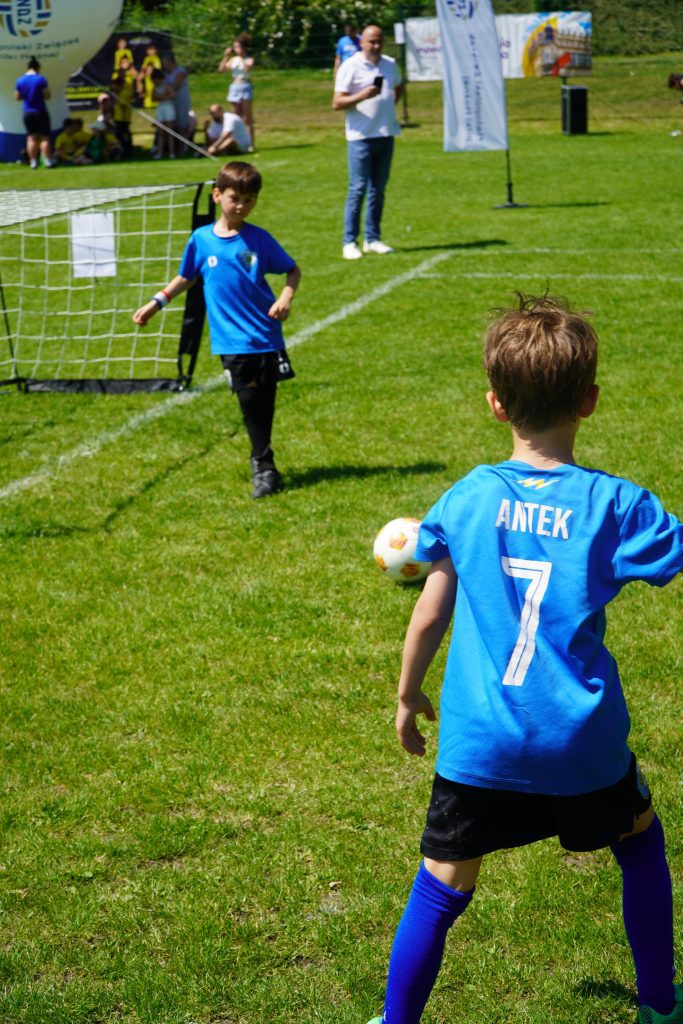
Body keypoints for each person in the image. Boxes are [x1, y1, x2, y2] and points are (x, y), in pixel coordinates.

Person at [366, 294, 683, 1024]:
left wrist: (407, 696)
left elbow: (429, 610)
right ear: (590, 401)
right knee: (639, 841)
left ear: (495, 404)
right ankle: (659, 1005)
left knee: (441, 884)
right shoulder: (616, 505)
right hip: (579, 740)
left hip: (481, 741)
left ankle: (396, 1020)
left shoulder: (466, 498)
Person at [132, 162, 301, 499]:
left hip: (265, 333)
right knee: (248, 396)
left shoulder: (259, 239)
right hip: (230, 338)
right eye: (235, 198)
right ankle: (263, 466)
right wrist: (157, 302)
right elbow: (187, 276)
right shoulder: (201, 240)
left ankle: (264, 462)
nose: (242, 206)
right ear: (217, 196)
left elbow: (292, 270)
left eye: (250, 200)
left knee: (264, 401)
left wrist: (285, 297)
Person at [333, 25, 402, 260]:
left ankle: (373, 239)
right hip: (360, 137)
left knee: (378, 191)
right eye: (371, 41)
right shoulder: (350, 65)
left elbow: (398, 86)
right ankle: (349, 241)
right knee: (358, 189)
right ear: (362, 42)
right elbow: (337, 102)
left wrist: (386, 107)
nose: (376, 46)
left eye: (379, 41)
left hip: (385, 134)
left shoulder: (390, 64)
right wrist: (363, 95)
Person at [14, 56, 54, 169]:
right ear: (38, 68)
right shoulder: (40, 79)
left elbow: (17, 97)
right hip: (40, 111)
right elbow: (47, 95)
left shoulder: (20, 80)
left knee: (31, 138)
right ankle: (48, 161)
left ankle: (33, 162)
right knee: (45, 138)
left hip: (27, 112)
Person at [218, 34, 255, 150]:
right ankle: (238, 142)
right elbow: (221, 70)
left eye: (237, 47)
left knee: (247, 117)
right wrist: (226, 56)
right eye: (235, 47)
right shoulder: (233, 60)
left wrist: (241, 57)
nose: (235, 49)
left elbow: (247, 68)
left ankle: (251, 144)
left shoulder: (249, 59)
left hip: (245, 86)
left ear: (244, 48)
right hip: (234, 87)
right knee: (236, 117)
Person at [161, 52, 192, 152]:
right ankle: (176, 148)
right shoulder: (165, 74)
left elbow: (175, 86)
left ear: (170, 62)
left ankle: (184, 147)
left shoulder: (180, 72)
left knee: (181, 125)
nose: (164, 65)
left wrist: (164, 94)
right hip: (170, 102)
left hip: (181, 101)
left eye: (165, 63)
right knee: (172, 125)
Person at [151, 68, 176, 159]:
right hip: (160, 108)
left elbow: (173, 95)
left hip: (168, 108)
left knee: (170, 131)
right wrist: (162, 97)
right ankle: (160, 153)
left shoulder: (166, 86)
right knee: (160, 132)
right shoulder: (155, 88)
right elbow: (153, 98)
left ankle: (172, 153)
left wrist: (161, 97)